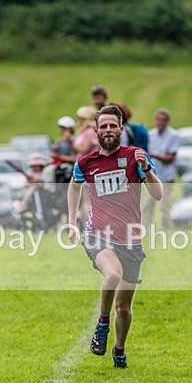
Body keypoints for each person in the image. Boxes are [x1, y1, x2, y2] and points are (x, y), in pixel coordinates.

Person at [67, 105, 163, 369]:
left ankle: (119, 350)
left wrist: (146, 170)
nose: (108, 130)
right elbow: (74, 187)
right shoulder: (85, 163)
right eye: (103, 126)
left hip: (130, 240)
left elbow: (158, 195)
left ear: (121, 130)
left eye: (112, 126)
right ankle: (102, 324)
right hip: (97, 234)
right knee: (112, 274)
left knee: (123, 308)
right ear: (96, 130)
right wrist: (72, 222)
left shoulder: (135, 156)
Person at [142, 108, 179, 230]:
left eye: (162, 120)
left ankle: (166, 229)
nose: (160, 122)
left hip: (166, 177)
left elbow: (170, 157)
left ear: (167, 121)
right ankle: (146, 229)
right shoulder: (150, 134)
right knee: (147, 205)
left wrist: (154, 155)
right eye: (158, 119)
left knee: (164, 207)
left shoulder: (173, 135)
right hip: (152, 177)